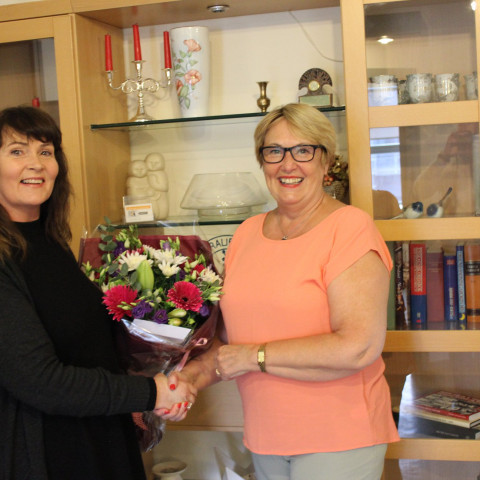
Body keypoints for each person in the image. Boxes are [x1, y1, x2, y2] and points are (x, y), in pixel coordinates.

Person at [166, 103, 399, 480]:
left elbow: (358, 346)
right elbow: (228, 344)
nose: (287, 164)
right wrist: (188, 380)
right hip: (265, 435)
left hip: (339, 437)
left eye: (303, 150)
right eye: (274, 151)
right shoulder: (247, 233)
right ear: (262, 161)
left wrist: (254, 357)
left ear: (326, 161)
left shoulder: (350, 228)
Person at [0, 106, 195, 480]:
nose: (36, 163)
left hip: (98, 432)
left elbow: (87, 346)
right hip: (49, 452)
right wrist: (149, 392)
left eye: (45, 151)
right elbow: (40, 381)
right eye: (17, 151)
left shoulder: (51, 241)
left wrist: (143, 386)